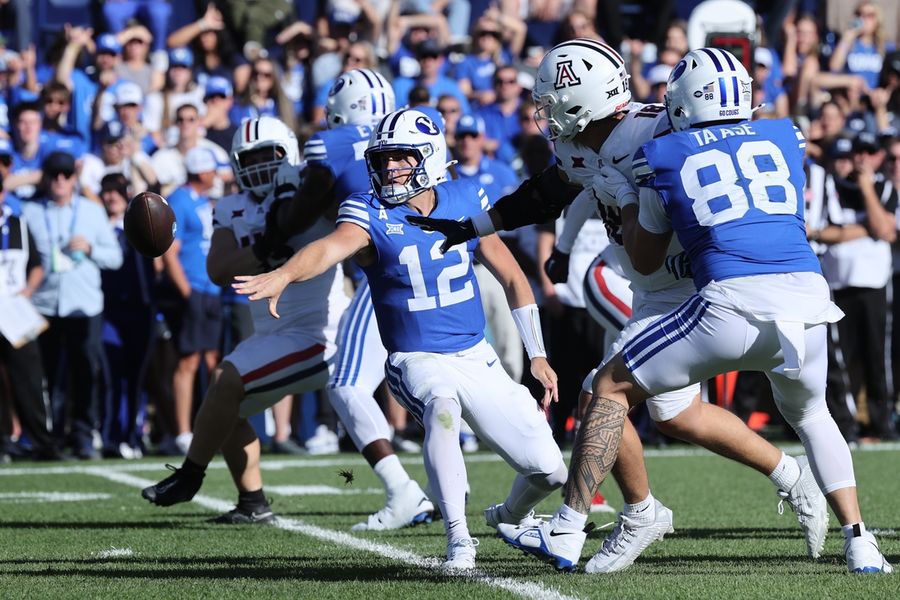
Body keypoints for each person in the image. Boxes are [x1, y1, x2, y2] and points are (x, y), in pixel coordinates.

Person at [407, 41, 829, 572]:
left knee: (599, 394)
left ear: (576, 102)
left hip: (700, 281)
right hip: (650, 287)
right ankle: (792, 477)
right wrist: (474, 226)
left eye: (551, 100)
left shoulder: (661, 131)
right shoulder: (580, 143)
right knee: (676, 414)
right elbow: (546, 193)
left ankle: (627, 515)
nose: (544, 113)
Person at [498, 47, 893, 574]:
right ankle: (860, 539)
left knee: (603, 389)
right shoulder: (783, 140)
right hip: (808, 299)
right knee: (808, 415)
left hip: (723, 302)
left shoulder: (661, 155)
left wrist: (629, 194)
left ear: (678, 103)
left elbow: (643, 256)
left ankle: (574, 527)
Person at [233, 108, 568, 572]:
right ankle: (458, 541)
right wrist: (286, 274)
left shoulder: (467, 196)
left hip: (476, 354)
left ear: (430, 158)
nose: (389, 168)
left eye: (401, 158)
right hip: (416, 357)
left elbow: (512, 276)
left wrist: (537, 354)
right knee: (442, 409)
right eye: (384, 158)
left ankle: (508, 517)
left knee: (551, 471)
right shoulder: (367, 210)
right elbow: (330, 248)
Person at [141, 116, 349, 523]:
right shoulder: (232, 206)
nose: (258, 167)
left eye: (267, 156)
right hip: (273, 332)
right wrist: (269, 242)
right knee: (224, 406)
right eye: (248, 159)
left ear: (288, 153)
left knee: (225, 383)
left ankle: (190, 475)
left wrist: (288, 222)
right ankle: (252, 502)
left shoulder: (314, 191)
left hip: (323, 330)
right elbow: (219, 268)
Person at [291, 69, 436, 530]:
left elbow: (298, 217)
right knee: (457, 387)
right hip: (447, 272)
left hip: (392, 278)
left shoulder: (328, 145)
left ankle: (402, 491)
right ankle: (552, 477)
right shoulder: (420, 129)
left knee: (347, 384)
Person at [23, 151, 123, 458]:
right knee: (46, 375)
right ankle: (47, 438)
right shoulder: (30, 211)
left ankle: (82, 434)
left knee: (85, 372)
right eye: (54, 174)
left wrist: (91, 248)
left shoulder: (92, 212)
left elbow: (116, 258)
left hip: (84, 304)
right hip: (44, 303)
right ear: (45, 178)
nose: (60, 181)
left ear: (75, 179)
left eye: (66, 175)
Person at [159, 146, 223, 455]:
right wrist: (186, 291)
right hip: (193, 288)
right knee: (188, 361)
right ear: (201, 171)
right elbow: (171, 251)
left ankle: (210, 426)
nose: (215, 175)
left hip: (211, 289)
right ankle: (183, 431)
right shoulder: (180, 201)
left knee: (212, 361)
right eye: (211, 169)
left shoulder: (203, 200)